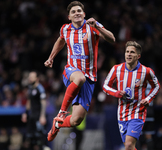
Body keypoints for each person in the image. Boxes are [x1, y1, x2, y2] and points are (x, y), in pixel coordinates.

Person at [44, 1, 115, 142]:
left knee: (76, 120)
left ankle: (57, 124)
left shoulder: (92, 26)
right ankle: (62, 112)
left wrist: (99, 28)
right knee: (79, 78)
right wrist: (51, 57)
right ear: (69, 16)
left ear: (84, 14)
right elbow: (60, 41)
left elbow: (112, 39)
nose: (77, 13)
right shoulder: (65, 29)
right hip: (71, 71)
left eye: (79, 11)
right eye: (73, 11)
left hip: (89, 78)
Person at [103, 41, 160, 150]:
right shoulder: (116, 69)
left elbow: (156, 86)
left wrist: (148, 98)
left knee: (129, 145)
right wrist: (116, 93)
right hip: (122, 113)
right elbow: (105, 86)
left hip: (138, 111)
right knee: (129, 146)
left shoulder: (146, 71)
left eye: (132, 52)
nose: (128, 54)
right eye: (127, 51)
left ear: (138, 56)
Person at [21, 71, 47, 150]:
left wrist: (42, 116)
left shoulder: (40, 89)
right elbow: (29, 102)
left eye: (32, 77)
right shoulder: (30, 88)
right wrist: (25, 113)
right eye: (29, 77)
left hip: (38, 116)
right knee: (29, 138)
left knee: (39, 139)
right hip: (31, 116)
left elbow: (43, 102)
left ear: (37, 79)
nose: (30, 78)